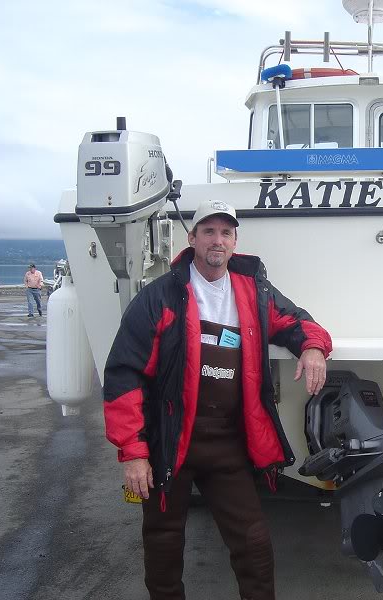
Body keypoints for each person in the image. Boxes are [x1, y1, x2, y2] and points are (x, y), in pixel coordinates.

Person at [103, 199, 332, 600]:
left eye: (226, 232)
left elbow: (298, 323)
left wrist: (313, 348)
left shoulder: (253, 291)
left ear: (235, 241)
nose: (217, 240)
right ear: (192, 239)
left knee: (255, 544)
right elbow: (124, 373)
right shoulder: (160, 297)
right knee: (163, 545)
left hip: (227, 444)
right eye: (208, 231)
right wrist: (134, 452)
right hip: (171, 443)